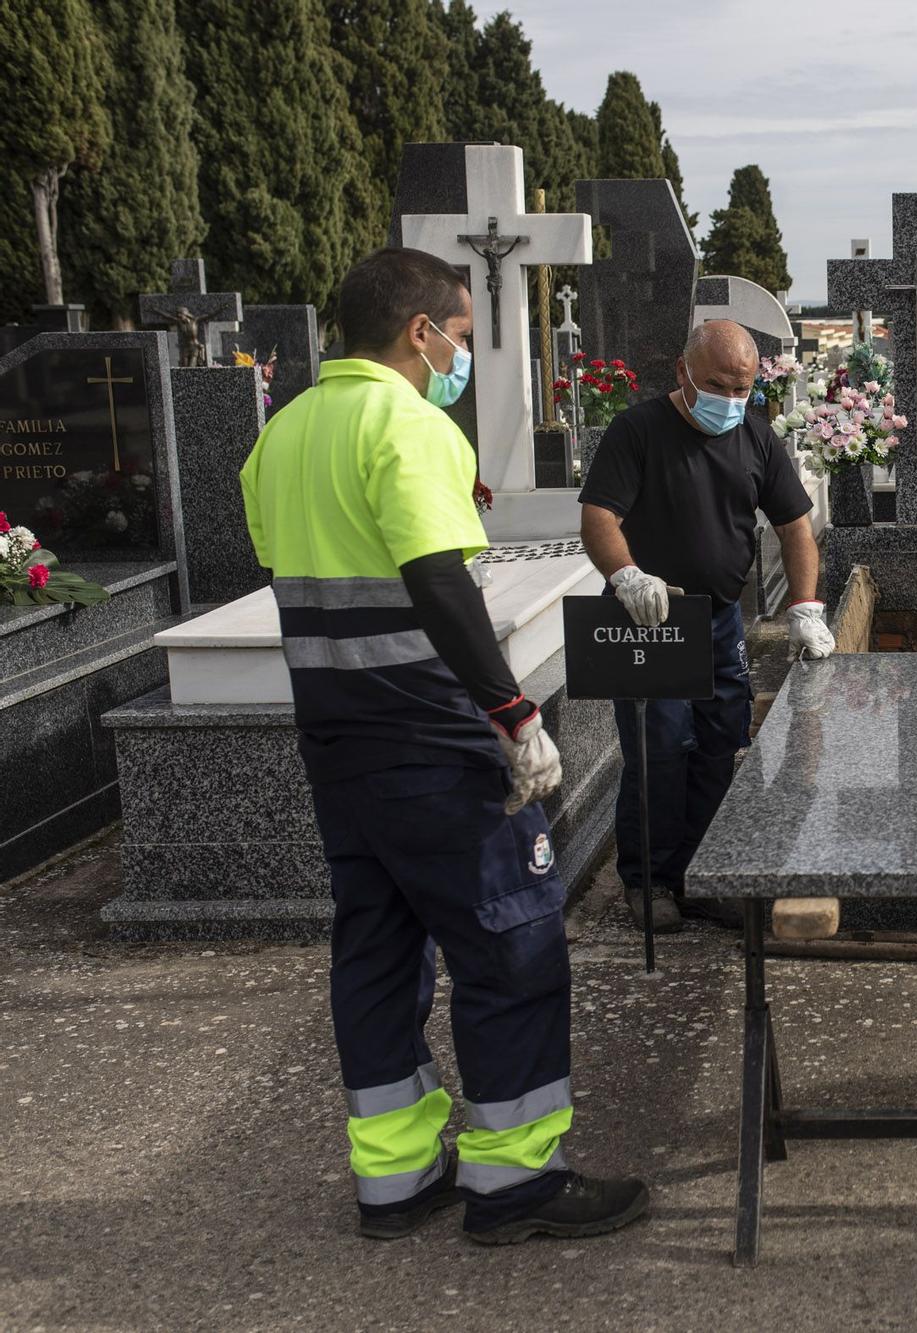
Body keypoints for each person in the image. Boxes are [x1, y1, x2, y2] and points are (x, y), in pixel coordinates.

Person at [240, 247, 647, 1244]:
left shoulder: (282, 432)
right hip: (429, 733)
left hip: (336, 735)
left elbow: (310, 563)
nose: (463, 353)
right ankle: (514, 1184)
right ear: (419, 330)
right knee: (510, 943)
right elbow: (436, 582)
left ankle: (396, 1178)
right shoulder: (406, 423)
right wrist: (511, 712)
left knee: (376, 949)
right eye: (461, 334)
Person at [579, 320, 833, 932]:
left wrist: (804, 606)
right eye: (719, 384)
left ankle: (707, 871)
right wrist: (627, 576)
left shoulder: (754, 433)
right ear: (682, 371)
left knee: (721, 743)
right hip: (653, 616)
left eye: (743, 387)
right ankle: (650, 879)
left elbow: (795, 526)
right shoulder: (638, 431)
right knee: (660, 749)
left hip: (719, 618)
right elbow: (598, 517)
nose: (732, 399)